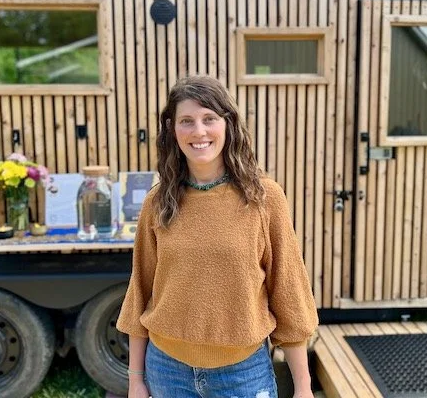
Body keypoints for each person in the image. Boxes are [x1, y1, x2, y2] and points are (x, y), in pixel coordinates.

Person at [116, 75, 318, 398]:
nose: (199, 132)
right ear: (172, 128)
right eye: (187, 121)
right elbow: (139, 292)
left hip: (243, 374)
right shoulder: (157, 203)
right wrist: (135, 380)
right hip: (166, 371)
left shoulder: (264, 198)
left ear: (227, 123)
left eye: (209, 118)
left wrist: (304, 387)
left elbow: (290, 295)